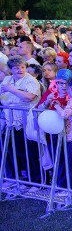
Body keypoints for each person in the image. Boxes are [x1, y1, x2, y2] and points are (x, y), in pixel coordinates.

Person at [0, 56, 42, 186]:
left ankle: (37, 182)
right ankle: (24, 179)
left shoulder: (31, 80)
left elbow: (29, 97)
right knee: (17, 152)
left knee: (31, 153)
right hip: (11, 122)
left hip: (27, 121)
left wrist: (11, 90)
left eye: (22, 67)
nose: (20, 70)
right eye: (17, 68)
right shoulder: (7, 79)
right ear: (11, 69)